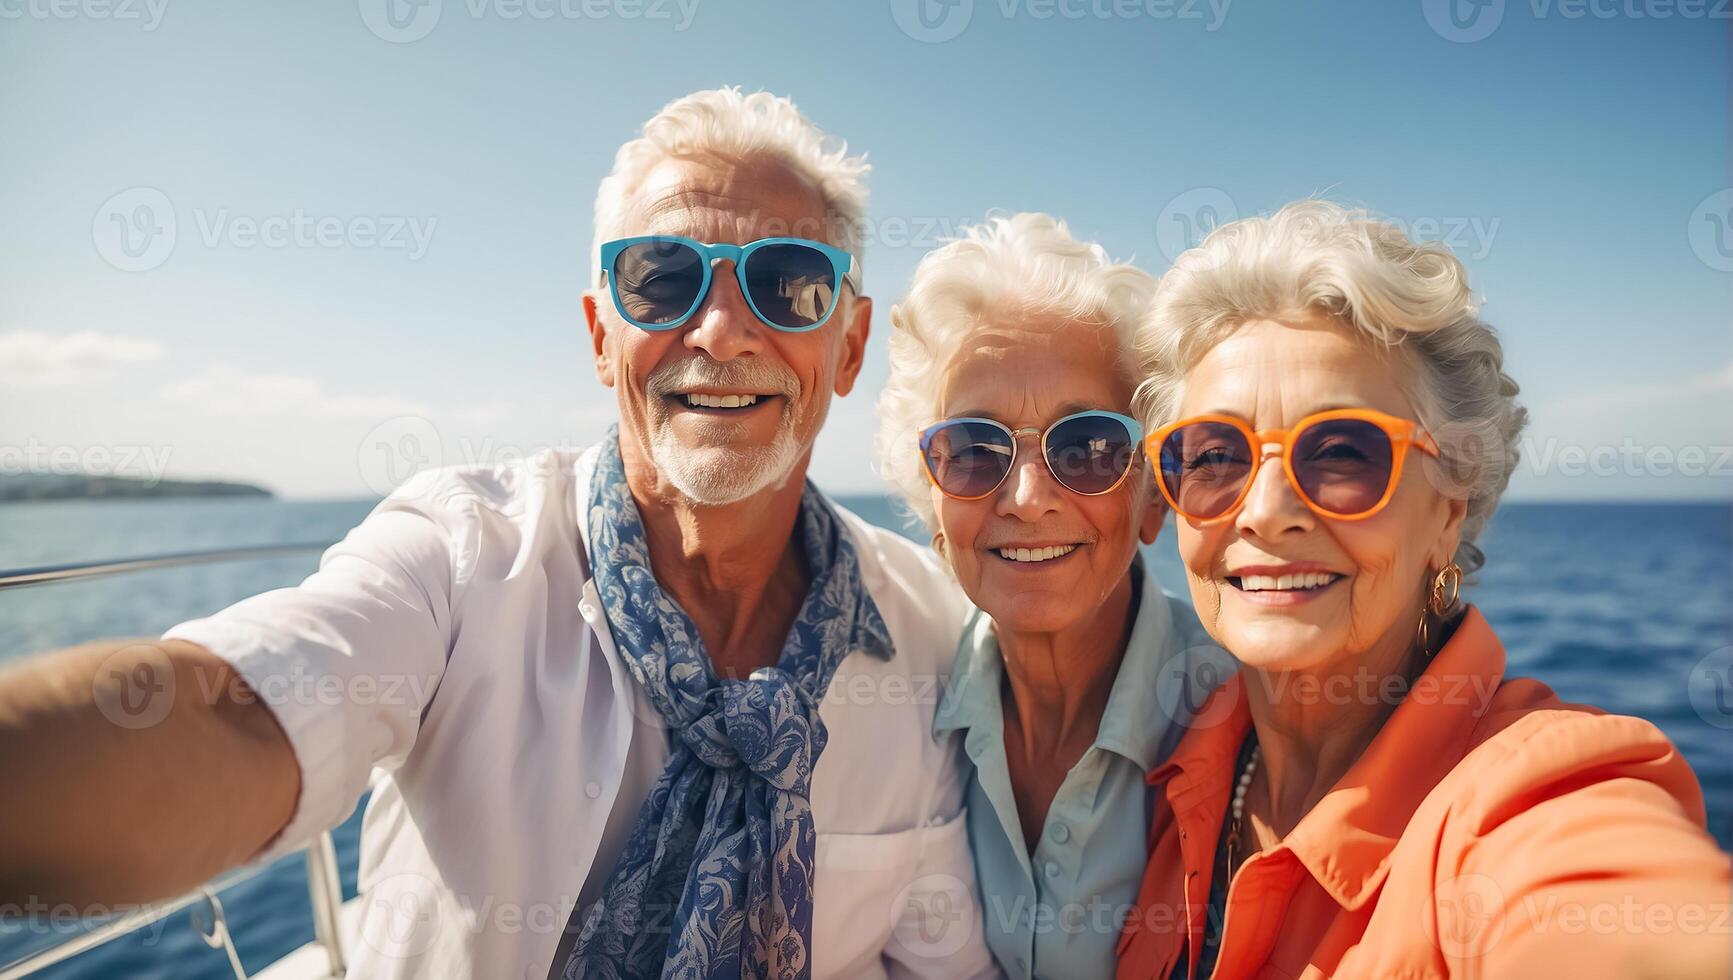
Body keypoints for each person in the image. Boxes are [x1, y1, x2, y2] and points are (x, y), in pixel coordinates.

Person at [0, 88, 999, 980]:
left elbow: (935, 952)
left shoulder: (927, 628)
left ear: (849, 345)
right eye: (662, 276)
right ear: (601, 335)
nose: (722, 329)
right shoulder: (462, 555)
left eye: (786, 281)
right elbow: (241, 719)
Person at [1114, 200, 1733, 978]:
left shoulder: (1532, 791)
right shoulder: (1172, 760)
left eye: (1342, 452)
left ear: (1449, 507)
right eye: (1211, 457)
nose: (1265, 512)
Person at [875, 213, 1234, 979]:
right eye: (973, 451)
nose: (1027, 498)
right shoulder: (893, 705)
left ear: (1150, 499)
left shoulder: (1247, 723)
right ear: (932, 507)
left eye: (1088, 447)